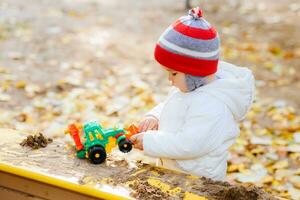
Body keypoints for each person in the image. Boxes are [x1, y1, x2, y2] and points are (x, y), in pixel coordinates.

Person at [130, 7, 255, 181]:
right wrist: (155, 117)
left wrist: (149, 142)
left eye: (173, 73)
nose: (169, 79)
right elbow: (174, 106)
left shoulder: (213, 106)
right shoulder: (190, 86)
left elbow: (188, 145)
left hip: (198, 181)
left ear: (194, 73)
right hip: (175, 173)